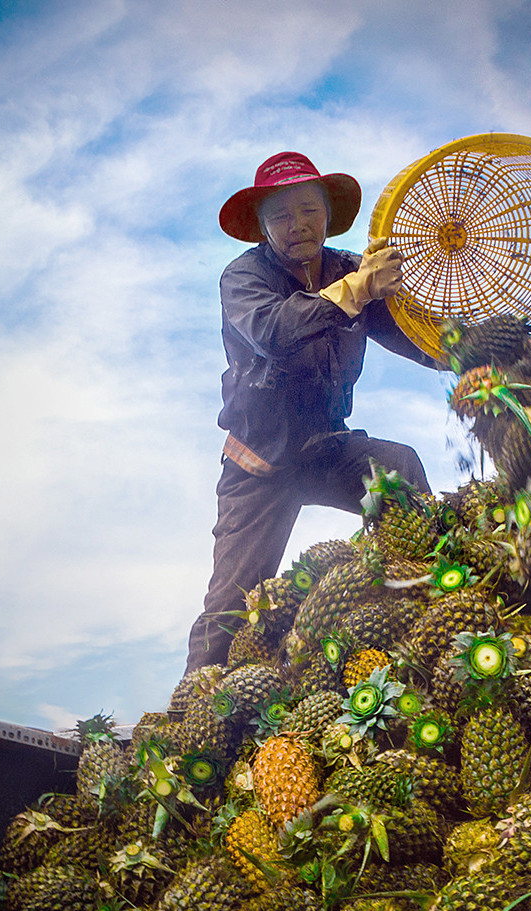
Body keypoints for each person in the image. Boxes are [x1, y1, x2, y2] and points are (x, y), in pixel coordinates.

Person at [185, 151, 440, 672]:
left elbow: (418, 337)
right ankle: (186, 721)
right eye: (280, 216)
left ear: (328, 213)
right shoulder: (243, 279)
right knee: (230, 609)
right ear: (261, 227)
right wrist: (357, 289)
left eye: (309, 210)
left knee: (401, 468)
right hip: (260, 465)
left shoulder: (351, 269)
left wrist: (484, 350)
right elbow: (274, 332)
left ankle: (423, 614)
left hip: (326, 449)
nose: (298, 225)